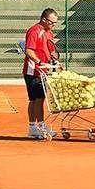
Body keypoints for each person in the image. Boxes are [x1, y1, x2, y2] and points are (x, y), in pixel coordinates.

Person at [23, 8, 59, 139]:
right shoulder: (34, 31)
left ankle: (37, 127)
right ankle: (35, 127)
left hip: (43, 71)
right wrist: (39, 62)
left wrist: (55, 60)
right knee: (36, 100)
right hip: (33, 71)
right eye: (52, 23)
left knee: (39, 100)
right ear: (44, 19)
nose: (53, 25)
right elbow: (29, 51)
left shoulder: (49, 32)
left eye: (55, 23)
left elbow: (51, 50)